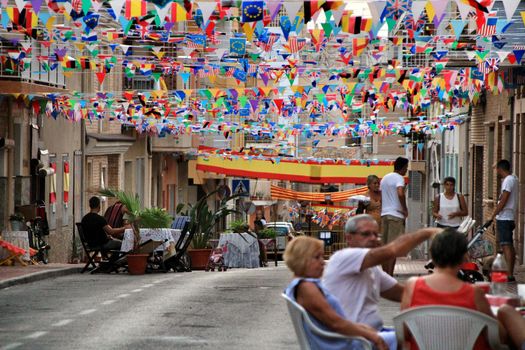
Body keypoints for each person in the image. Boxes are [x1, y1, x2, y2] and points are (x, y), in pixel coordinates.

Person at [323, 215, 440, 343]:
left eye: (375, 234)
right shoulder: (344, 257)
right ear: (349, 238)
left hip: (372, 334)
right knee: (419, 338)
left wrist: (446, 294)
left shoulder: (371, 268)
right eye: (366, 234)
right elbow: (394, 250)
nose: (373, 238)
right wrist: (427, 232)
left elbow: (402, 293)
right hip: (353, 339)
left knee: (419, 335)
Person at [400, 229, 505, 349]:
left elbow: (403, 333)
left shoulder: (412, 286)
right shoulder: (474, 293)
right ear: (463, 259)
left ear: (432, 256)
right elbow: (499, 336)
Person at [284, 236, 390, 350]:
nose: (323, 262)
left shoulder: (300, 284)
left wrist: (365, 329)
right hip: (342, 345)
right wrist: (372, 335)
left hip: (343, 340)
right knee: (403, 337)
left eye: (322, 256)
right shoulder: (307, 287)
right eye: (317, 257)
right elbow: (337, 323)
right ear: (301, 259)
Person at [380, 156, 409, 276]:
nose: (406, 170)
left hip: (384, 214)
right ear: (402, 168)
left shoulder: (384, 178)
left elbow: (382, 197)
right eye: (406, 168)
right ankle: (389, 276)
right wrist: (404, 208)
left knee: (385, 248)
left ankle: (384, 274)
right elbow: (400, 193)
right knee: (393, 248)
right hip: (396, 216)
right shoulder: (399, 178)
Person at [491, 159, 519, 282]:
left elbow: (504, 199)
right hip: (507, 216)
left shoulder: (508, 180)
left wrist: (493, 214)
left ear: (500, 169)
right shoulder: (513, 179)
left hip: (505, 216)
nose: (496, 171)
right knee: (507, 244)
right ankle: (509, 272)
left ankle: (510, 274)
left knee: (506, 244)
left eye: (496, 169)